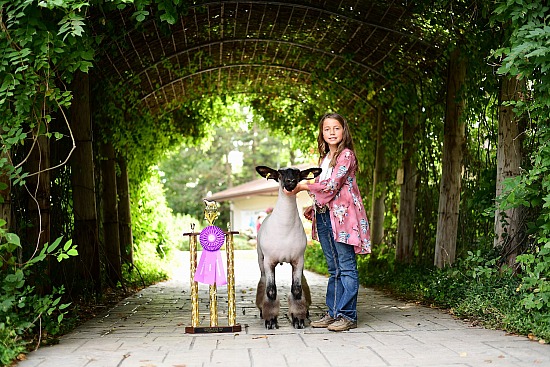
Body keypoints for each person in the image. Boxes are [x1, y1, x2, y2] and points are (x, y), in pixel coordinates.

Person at [284, 112, 371, 332]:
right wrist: (313, 206)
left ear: (344, 131)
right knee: (334, 269)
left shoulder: (347, 155)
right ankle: (333, 313)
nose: (331, 133)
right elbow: (326, 189)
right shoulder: (324, 158)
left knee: (347, 266)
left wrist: (303, 187)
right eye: (327, 129)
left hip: (343, 218)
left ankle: (348, 315)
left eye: (336, 128)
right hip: (324, 216)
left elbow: (333, 186)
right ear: (322, 134)